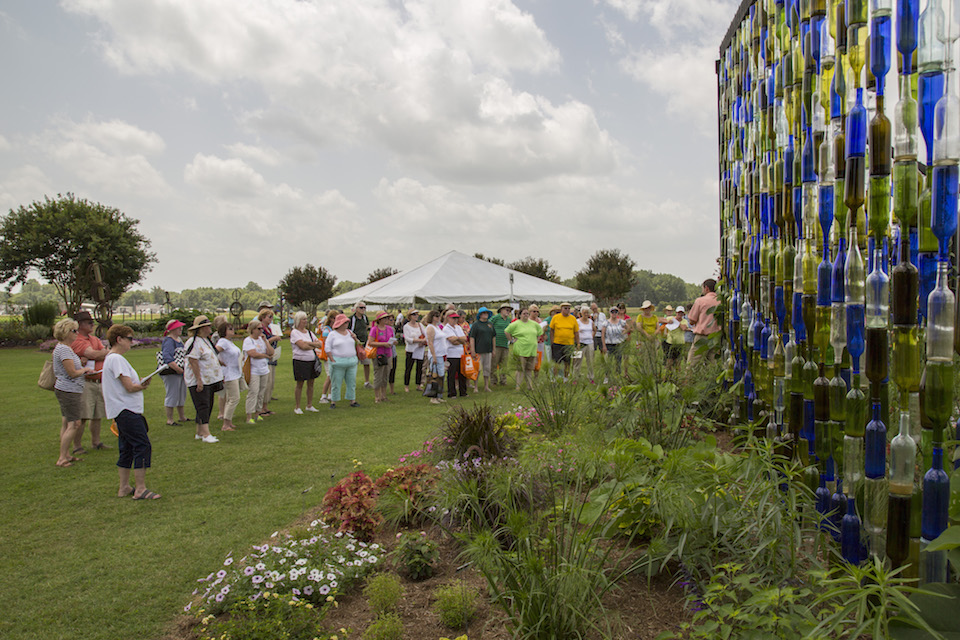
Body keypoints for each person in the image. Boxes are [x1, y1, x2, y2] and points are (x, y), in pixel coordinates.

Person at [102, 324, 157, 499]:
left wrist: (140, 384)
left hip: (121, 410)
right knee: (142, 445)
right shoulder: (116, 359)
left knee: (126, 448)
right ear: (119, 339)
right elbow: (129, 387)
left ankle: (124, 487)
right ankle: (140, 489)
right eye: (129, 339)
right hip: (126, 409)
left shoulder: (111, 359)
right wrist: (141, 385)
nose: (131, 343)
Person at [52, 318, 94, 467]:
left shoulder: (64, 348)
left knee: (67, 422)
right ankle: (62, 458)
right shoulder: (63, 349)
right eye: (73, 331)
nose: (76, 334)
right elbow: (72, 373)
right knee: (74, 423)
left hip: (69, 389)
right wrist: (85, 369)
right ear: (65, 332)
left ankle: (66, 454)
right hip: (69, 390)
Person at [71, 310, 109, 453]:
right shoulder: (77, 340)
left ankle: (96, 442)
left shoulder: (93, 339)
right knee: (83, 416)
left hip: (99, 381)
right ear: (80, 324)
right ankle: (77, 446)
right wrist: (100, 354)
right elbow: (93, 353)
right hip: (85, 382)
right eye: (89, 322)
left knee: (97, 415)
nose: (92, 325)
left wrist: (99, 354)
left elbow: (104, 352)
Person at [183, 315, 223, 443]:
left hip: (210, 379)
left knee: (208, 404)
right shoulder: (193, 342)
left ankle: (200, 432)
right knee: (203, 405)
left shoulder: (205, 340)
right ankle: (206, 434)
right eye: (207, 326)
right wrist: (198, 379)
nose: (210, 328)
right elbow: (193, 361)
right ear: (201, 328)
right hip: (200, 380)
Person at [289, 311, 323, 414]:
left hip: (311, 360)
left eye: (306, 319)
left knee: (311, 383)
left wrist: (308, 343)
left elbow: (319, 344)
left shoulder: (308, 332)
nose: (305, 321)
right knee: (300, 383)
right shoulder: (295, 332)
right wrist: (312, 344)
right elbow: (302, 346)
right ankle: (298, 406)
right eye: (303, 319)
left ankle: (309, 404)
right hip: (300, 361)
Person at [325, 313, 361, 409]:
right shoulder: (332, 334)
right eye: (344, 322)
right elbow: (327, 348)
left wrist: (355, 338)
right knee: (336, 382)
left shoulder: (349, 332)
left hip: (351, 361)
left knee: (351, 381)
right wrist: (332, 359)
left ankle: (352, 400)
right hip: (338, 361)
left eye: (347, 322)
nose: (346, 324)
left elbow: (358, 343)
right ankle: (333, 401)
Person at [243, 319, 275, 423]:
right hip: (253, 370)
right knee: (253, 392)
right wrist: (265, 356)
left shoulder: (261, 340)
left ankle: (258, 413)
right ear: (252, 330)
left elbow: (271, 352)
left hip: (263, 370)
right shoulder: (248, 340)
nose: (261, 331)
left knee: (261, 392)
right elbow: (253, 354)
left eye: (262, 328)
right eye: (259, 329)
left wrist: (266, 341)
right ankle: (249, 415)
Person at [505, 308, 543, 390]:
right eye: (524, 313)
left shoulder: (534, 324)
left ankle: (530, 386)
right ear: (520, 315)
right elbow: (506, 331)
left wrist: (536, 340)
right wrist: (511, 340)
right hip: (520, 350)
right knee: (520, 369)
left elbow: (540, 332)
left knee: (529, 369)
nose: (526, 315)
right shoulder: (516, 324)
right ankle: (518, 386)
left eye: (527, 313)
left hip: (532, 350)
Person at [214, 320, 242, 431]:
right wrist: (219, 361)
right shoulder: (223, 342)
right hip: (228, 374)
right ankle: (225, 424)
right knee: (234, 398)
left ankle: (229, 422)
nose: (233, 330)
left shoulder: (229, 342)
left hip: (235, 372)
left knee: (231, 398)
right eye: (230, 329)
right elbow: (214, 352)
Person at [159, 319, 187, 425]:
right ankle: (170, 419)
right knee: (172, 393)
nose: (180, 329)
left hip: (180, 372)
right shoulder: (169, 341)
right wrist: (177, 369)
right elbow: (167, 357)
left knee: (181, 394)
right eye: (178, 327)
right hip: (171, 372)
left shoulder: (179, 339)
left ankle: (182, 416)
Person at [687, 278, 721, 365]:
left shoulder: (700, 301)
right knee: (713, 363)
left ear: (706, 288)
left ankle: (690, 378)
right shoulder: (720, 301)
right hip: (716, 337)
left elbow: (692, 320)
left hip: (702, 336)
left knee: (693, 363)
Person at [258, 304, 282, 416]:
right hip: (265, 358)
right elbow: (263, 341)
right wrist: (274, 338)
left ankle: (266, 406)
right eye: (269, 317)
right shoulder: (260, 329)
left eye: (271, 317)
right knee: (266, 383)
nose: (270, 319)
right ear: (262, 317)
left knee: (271, 383)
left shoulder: (270, 328)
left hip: (273, 356)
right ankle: (261, 408)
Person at [367, 311, 395, 403]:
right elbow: (370, 342)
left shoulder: (390, 329)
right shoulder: (374, 329)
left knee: (386, 375)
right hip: (378, 355)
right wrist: (383, 344)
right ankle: (377, 396)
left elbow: (393, 339)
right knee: (378, 375)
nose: (387, 320)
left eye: (388, 318)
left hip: (388, 354)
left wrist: (393, 342)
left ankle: (383, 395)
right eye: (385, 318)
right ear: (379, 320)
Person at [469, 307, 496, 392]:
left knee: (487, 368)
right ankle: (476, 386)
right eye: (484, 313)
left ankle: (486, 386)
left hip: (488, 350)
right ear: (480, 315)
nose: (485, 315)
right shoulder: (476, 325)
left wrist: (494, 349)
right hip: (478, 350)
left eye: (487, 313)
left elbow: (493, 337)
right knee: (478, 369)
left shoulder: (490, 324)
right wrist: (472, 350)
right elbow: (472, 338)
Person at [549, 302, 579, 379]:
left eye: (569, 308)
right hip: (557, 343)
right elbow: (551, 330)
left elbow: (576, 332)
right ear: (561, 309)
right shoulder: (556, 317)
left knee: (567, 363)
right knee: (557, 362)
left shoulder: (573, 318)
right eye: (565, 308)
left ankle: (565, 378)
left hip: (569, 344)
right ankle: (555, 379)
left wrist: (578, 343)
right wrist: (552, 341)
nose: (567, 310)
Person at [442, 310, 468, 398]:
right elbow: (452, 341)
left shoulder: (458, 327)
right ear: (448, 318)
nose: (455, 320)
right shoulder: (446, 328)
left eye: (456, 318)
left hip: (460, 353)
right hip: (451, 354)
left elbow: (464, 339)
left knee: (462, 373)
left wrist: (457, 339)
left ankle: (463, 392)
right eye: (453, 318)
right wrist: (459, 339)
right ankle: (451, 392)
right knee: (452, 374)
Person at [424, 309, 447, 404]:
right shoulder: (430, 328)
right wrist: (434, 356)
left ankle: (438, 395)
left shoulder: (437, 327)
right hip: (436, 354)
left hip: (441, 354)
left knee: (441, 375)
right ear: (432, 317)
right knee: (435, 375)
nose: (438, 318)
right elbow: (430, 342)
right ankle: (433, 397)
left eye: (439, 316)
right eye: (436, 316)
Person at [349, 302, 372, 389]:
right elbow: (349, 330)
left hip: (365, 344)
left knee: (367, 363)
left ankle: (367, 382)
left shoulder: (365, 318)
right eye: (361, 308)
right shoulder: (352, 319)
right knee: (354, 364)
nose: (363, 309)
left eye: (364, 308)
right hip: (354, 344)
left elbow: (366, 327)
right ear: (356, 309)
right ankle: (352, 382)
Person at [402, 309, 426, 392]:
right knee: (408, 368)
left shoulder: (420, 325)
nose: (416, 316)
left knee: (419, 368)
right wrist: (419, 341)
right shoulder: (406, 326)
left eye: (417, 314)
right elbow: (408, 339)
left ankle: (418, 385)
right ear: (410, 316)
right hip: (411, 350)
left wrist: (423, 341)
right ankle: (406, 385)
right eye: (414, 314)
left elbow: (426, 334)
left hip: (420, 349)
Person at [601, 306, 630, 376]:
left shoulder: (621, 322)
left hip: (618, 344)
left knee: (618, 361)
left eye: (616, 312)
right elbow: (603, 335)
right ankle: (607, 376)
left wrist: (624, 333)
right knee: (608, 361)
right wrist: (604, 346)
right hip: (609, 344)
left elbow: (629, 328)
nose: (614, 313)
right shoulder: (606, 323)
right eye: (612, 312)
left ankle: (618, 375)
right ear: (610, 313)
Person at [319, 309, 339, 403]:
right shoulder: (327, 330)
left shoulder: (334, 329)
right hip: (328, 356)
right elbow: (326, 344)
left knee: (333, 375)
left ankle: (330, 394)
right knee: (330, 375)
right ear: (331, 319)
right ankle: (323, 395)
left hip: (335, 355)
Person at [490, 303, 512, 385]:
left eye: (509, 310)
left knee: (504, 364)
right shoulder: (495, 318)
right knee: (494, 364)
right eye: (507, 310)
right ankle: (493, 381)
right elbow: (488, 326)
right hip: (496, 345)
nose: (508, 312)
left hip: (505, 344)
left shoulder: (508, 320)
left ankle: (503, 381)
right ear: (501, 310)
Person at [575, 305, 596, 382]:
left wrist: (592, 336)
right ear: (581, 313)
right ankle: (575, 377)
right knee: (577, 361)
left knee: (590, 361)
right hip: (579, 343)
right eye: (584, 313)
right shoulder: (577, 321)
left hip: (590, 343)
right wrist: (577, 343)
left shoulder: (591, 321)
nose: (586, 314)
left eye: (587, 313)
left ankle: (591, 377)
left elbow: (594, 330)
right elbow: (575, 332)